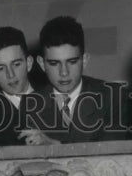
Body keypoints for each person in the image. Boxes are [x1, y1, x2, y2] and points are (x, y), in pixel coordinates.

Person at [23, 16, 125, 145]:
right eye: (54, 63)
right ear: (42, 64)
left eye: (72, 62)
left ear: (85, 60)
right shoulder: (30, 105)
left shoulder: (113, 96)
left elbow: (112, 154)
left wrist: (54, 145)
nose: (64, 72)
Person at [0, 27, 38, 147]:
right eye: (0, 68)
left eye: (16, 64)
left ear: (29, 63)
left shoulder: (57, 102)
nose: (10, 75)